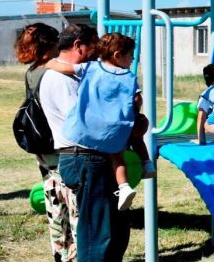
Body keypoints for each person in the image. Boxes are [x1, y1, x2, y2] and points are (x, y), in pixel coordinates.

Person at [52, 33, 155, 211]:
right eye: (130, 55)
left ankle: (125, 187)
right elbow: (137, 99)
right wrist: (134, 113)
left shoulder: (90, 68)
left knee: (115, 156)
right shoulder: (129, 76)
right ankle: (134, 176)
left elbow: (65, 69)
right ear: (117, 55)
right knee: (119, 156)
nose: (132, 60)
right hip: (115, 127)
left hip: (90, 127)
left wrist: (48, 62)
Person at [14, 23, 70, 262]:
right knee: (69, 199)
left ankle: (60, 251)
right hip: (56, 141)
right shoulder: (53, 71)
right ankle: (71, 257)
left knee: (52, 197)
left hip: (39, 143)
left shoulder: (31, 71)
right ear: (48, 44)